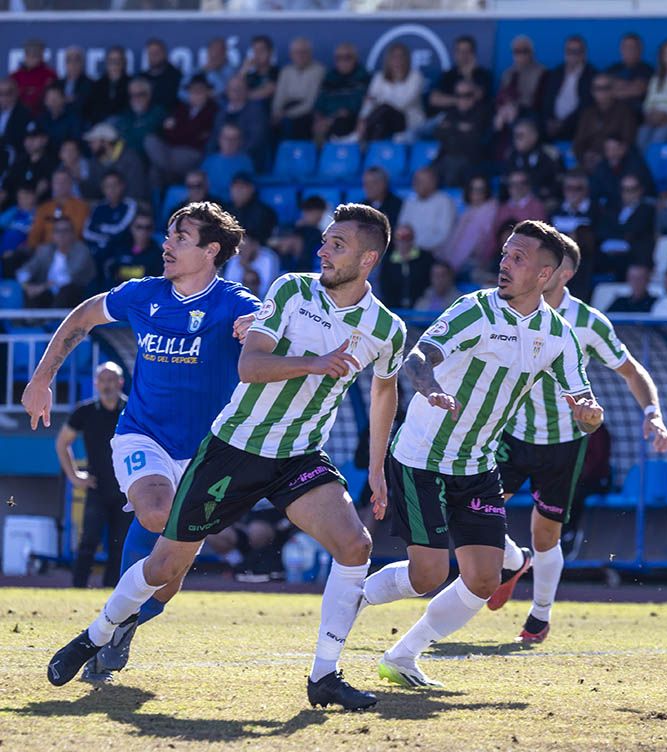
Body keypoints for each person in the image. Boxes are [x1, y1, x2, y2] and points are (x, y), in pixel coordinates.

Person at [46, 203, 406, 712]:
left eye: (337, 245)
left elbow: (385, 392)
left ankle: (325, 676)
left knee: (355, 545)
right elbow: (251, 365)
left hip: (299, 454)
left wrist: (376, 468)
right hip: (234, 446)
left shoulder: (387, 329)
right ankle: (97, 633)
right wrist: (313, 363)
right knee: (166, 566)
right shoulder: (289, 291)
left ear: (368, 258)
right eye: (324, 241)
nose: (322, 250)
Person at [24, 202, 260, 684]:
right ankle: (115, 626)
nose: (166, 245)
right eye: (168, 235)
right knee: (156, 512)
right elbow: (82, 318)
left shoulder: (236, 302)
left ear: (211, 250)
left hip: (207, 453)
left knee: (166, 580)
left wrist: (260, 330)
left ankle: (120, 626)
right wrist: (41, 379)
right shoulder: (141, 295)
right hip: (143, 435)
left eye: (180, 238)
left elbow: (271, 330)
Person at [361, 220, 602, 686]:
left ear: (545, 275)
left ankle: (403, 655)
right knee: (426, 573)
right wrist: (430, 390)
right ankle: (351, 600)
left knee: (485, 580)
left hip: (477, 465)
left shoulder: (559, 335)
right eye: (505, 253)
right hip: (421, 457)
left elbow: (584, 402)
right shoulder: (475, 309)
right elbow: (416, 358)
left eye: (518, 258)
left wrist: (591, 415)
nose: (504, 263)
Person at [490, 235, 667, 641]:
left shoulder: (588, 322)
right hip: (511, 433)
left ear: (562, 273)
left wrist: (653, 413)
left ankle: (539, 615)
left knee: (545, 535)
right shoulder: (503, 306)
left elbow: (631, 371)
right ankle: (512, 559)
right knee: (471, 509)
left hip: (565, 443)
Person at [58, 363, 131, 589]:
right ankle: (78, 588)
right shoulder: (85, 411)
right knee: (88, 541)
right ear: (95, 383)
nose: (107, 385)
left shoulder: (131, 409)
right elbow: (62, 443)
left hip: (126, 489)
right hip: (96, 487)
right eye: (103, 380)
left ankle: (113, 593)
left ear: (120, 382)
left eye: (111, 380)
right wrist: (74, 476)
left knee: (120, 545)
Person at [144, 76, 217, 189]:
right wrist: (179, 131)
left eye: (200, 90)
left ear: (207, 92)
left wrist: (177, 130)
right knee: (150, 140)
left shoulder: (212, 110)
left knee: (156, 169)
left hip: (192, 152)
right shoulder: (181, 108)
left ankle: (169, 176)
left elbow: (195, 136)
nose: (196, 94)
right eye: (193, 91)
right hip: (170, 150)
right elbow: (165, 131)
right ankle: (167, 179)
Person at [17, 215, 95, 307]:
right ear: (53, 235)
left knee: (67, 289)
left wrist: (42, 287)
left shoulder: (81, 250)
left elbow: (69, 277)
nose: (61, 235)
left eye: (65, 231)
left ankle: (55, 321)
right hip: (47, 293)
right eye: (57, 231)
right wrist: (27, 286)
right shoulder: (45, 250)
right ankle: (31, 320)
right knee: (30, 294)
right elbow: (25, 271)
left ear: (73, 234)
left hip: (75, 294)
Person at [357, 42, 425, 143]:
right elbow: (369, 100)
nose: (397, 60)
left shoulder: (415, 77)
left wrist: (378, 102)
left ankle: (362, 142)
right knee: (379, 122)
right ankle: (372, 150)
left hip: (407, 120)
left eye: (401, 56)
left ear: (407, 59)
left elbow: (403, 103)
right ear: (388, 60)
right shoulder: (379, 77)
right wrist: (362, 118)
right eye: (394, 56)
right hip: (382, 119)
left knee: (384, 109)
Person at [572, 74, 637, 172]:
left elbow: (627, 142)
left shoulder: (624, 111)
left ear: (613, 90)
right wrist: (584, 156)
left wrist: (604, 157)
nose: (601, 92)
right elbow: (578, 141)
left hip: (614, 163)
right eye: (597, 88)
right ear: (592, 92)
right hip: (588, 162)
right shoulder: (588, 113)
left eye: (606, 88)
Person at [432, 79, 490, 187]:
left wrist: (451, 129)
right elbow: (438, 133)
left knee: (452, 169)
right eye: (458, 95)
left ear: (475, 96)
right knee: (426, 175)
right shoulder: (452, 112)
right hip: (446, 157)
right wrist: (459, 128)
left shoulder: (483, 112)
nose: (463, 99)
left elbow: (475, 138)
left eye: (467, 95)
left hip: (470, 160)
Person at [438, 175, 498, 277]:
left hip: (474, 263)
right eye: (473, 189)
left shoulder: (491, 210)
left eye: (481, 189)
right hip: (454, 261)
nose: (477, 193)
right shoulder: (466, 211)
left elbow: (483, 244)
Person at [539, 35, 596, 142]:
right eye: (569, 51)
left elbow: (586, 105)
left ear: (584, 54)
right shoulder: (556, 73)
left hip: (576, 126)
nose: (572, 55)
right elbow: (547, 100)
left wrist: (562, 124)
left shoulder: (591, 75)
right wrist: (549, 121)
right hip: (551, 125)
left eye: (577, 51)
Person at [312, 43, 369, 144]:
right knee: (310, 123)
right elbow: (319, 104)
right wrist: (320, 118)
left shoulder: (363, 76)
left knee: (341, 122)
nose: (343, 61)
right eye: (339, 58)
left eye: (348, 57)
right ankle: (318, 157)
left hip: (352, 120)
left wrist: (331, 119)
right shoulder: (329, 78)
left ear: (355, 58)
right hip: (328, 120)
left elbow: (355, 104)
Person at [211, 76, 269, 172]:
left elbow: (256, 139)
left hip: (247, 156)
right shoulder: (221, 112)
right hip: (222, 156)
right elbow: (214, 137)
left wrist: (235, 154)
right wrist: (211, 155)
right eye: (233, 89)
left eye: (239, 89)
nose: (236, 92)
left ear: (247, 91)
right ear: (227, 91)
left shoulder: (256, 111)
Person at [272, 37, 325, 140]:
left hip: (305, 112)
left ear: (310, 53)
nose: (300, 55)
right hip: (286, 108)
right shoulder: (286, 71)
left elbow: (311, 101)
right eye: (296, 52)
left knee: (298, 122)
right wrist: (276, 112)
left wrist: (288, 114)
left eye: (303, 52)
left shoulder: (319, 71)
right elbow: (279, 96)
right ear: (291, 54)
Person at [400, 167, 457, 254]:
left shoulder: (444, 202)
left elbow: (443, 235)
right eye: (415, 180)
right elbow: (402, 228)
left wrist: (416, 247)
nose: (416, 184)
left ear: (433, 183)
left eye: (421, 181)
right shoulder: (410, 201)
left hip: (433, 253)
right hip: (408, 252)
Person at [82, 170, 137, 259]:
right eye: (107, 186)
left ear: (122, 186)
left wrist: (100, 227)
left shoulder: (130, 205)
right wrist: (106, 239)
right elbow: (87, 232)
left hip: (123, 250)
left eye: (115, 185)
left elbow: (120, 231)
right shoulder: (98, 208)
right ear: (103, 189)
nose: (111, 189)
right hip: (99, 251)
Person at [379, 222, 433, 311]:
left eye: (407, 237)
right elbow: (384, 288)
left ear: (413, 238)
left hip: (421, 309)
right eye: (400, 236)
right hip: (394, 310)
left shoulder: (426, 258)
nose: (403, 241)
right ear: (394, 240)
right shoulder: (387, 262)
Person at [104, 210, 164, 283]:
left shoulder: (159, 256)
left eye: (148, 227)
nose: (143, 232)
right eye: (139, 227)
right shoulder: (118, 250)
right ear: (131, 227)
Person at [201, 123, 255, 200]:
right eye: (226, 138)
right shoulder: (209, 161)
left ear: (240, 141)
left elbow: (246, 190)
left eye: (234, 139)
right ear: (220, 139)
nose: (229, 142)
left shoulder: (246, 162)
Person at [606, 32, 653, 120]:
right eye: (626, 47)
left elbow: (638, 90)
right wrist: (630, 86)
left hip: (636, 112)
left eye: (633, 47)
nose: (629, 50)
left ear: (640, 49)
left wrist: (617, 88)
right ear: (621, 49)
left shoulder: (647, 69)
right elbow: (605, 89)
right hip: (611, 110)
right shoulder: (613, 69)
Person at [13, 38, 57, 118]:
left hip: (43, 117)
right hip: (19, 117)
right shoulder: (15, 76)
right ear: (25, 56)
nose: (32, 58)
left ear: (42, 56)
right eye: (29, 54)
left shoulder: (50, 75)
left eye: (36, 55)